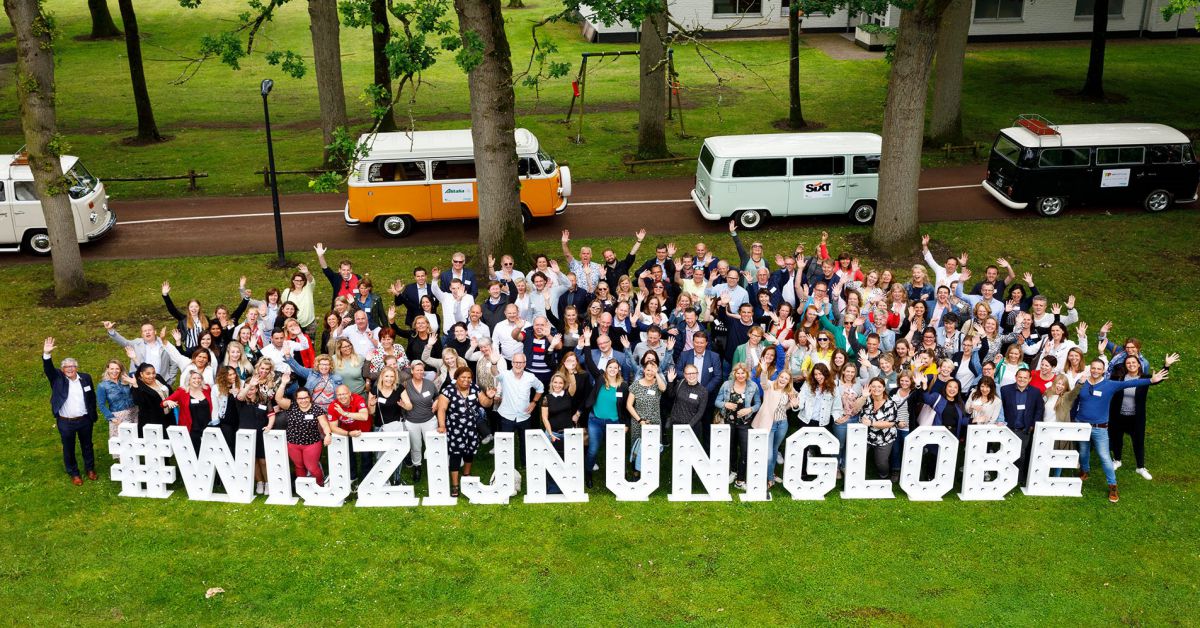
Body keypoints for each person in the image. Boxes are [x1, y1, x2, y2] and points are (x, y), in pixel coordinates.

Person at [1071, 358, 1170, 503]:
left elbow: (1130, 383)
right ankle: (1085, 471)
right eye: (1093, 368)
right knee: (1084, 451)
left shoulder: (1110, 384)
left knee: (1105, 456)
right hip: (1082, 424)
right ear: (1090, 369)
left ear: (1103, 370)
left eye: (1099, 368)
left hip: (1099, 427)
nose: (1096, 371)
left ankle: (1113, 485)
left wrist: (1151, 380)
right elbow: (1073, 399)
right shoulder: (1082, 382)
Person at [1109, 353, 1180, 480]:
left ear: (1138, 365)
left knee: (1138, 441)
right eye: (1128, 363)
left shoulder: (1145, 378)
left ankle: (1140, 467)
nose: (1131, 365)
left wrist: (1167, 365)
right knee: (1117, 439)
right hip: (1118, 416)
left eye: (1133, 362)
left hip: (1136, 417)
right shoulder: (1119, 378)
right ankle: (1117, 460)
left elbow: (1158, 378)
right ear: (1125, 365)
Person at [42, 337, 99, 485]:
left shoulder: (86, 378)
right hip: (66, 422)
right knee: (68, 448)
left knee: (87, 445)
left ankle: (90, 469)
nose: (69, 369)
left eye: (72, 366)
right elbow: (48, 369)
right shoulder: (57, 379)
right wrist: (47, 354)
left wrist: (92, 415)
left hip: (85, 420)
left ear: (76, 368)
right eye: (66, 367)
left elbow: (91, 397)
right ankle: (74, 473)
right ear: (62, 370)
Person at [436, 366, 497, 497]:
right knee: (455, 455)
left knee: (469, 452)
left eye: (469, 377)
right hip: (455, 428)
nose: (466, 380)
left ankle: (467, 476)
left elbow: (485, 404)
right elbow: (441, 409)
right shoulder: (448, 390)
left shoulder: (474, 388)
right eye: (463, 377)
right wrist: (442, 425)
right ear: (456, 378)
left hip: (471, 427)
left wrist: (489, 397)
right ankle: (455, 485)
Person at [494, 353, 545, 470]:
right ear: (512, 363)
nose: (518, 365)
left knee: (525, 442)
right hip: (506, 416)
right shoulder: (505, 375)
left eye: (521, 362)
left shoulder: (530, 377)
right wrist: (493, 363)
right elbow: (495, 373)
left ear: (525, 364)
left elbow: (540, 388)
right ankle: (506, 466)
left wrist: (534, 402)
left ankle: (525, 464)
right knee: (505, 443)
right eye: (516, 362)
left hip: (524, 416)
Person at [582, 359, 629, 488]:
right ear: (606, 368)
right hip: (595, 421)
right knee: (593, 450)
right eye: (610, 367)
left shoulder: (623, 386)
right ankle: (588, 473)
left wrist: (626, 424)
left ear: (618, 370)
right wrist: (585, 346)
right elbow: (590, 364)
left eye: (615, 367)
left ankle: (620, 475)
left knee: (617, 450)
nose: (612, 370)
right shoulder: (600, 379)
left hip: (614, 423)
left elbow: (625, 407)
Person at [715, 362, 761, 490]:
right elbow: (717, 401)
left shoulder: (753, 386)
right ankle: (733, 471)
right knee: (731, 449)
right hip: (729, 422)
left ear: (747, 374)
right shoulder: (726, 385)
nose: (740, 375)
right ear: (734, 373)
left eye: (743, 373)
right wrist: (725, 404)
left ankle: (740, 480)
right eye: (738, 373)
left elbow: (758, 404)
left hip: (744, 423)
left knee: (745, 450)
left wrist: (749, 409)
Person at [275, 386, 332, 487]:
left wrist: (328, 434)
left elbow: (325, 424)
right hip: (293, 444)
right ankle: (303, 488)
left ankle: (321, 485)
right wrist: (283, 384)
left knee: (312, 467)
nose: (303, 400)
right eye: (300, 398)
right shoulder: (291, 406)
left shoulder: (316, 409)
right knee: (299, 466)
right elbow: (278, 399)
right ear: (296, 399)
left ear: (310, 397)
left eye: (306, 397)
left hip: (311, 444)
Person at [753, 370, 799, 487]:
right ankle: (769, 478)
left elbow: (793, 404)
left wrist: (794, 405)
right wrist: (764, 371)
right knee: (769, 455)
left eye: (786, 378)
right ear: (778, 377)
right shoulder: (770, 386)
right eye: (782, 377)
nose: (783, 379)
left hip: (782, 423)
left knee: (775, 449)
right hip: (769, 423)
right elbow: (763, 382)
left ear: (789, 381)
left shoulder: (790, 390)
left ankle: (771, 475)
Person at [234, 370, 275, 494]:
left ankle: (268, 483)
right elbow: (240, 396)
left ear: (257, 389)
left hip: (261, 434)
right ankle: (259, 482)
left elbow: (271, 415)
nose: (250, 391)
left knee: (263, 460)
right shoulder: (241, 400)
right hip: (246, 435)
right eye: (248, 389)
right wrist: (249, 385)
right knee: (253, 460)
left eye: (252, 389)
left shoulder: (264, 400)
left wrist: (269, 426)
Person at [398, 361, 439, 483]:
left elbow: (437, 396)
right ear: (412, 371)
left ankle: (435, 467)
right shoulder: (406, 385)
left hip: (429, 419)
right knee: (416, 446)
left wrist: (437, 401)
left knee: (432, 444)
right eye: (417, 370)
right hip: (412, 421)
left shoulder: (429, 384)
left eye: (422, 370)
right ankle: (417, 467)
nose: (420, 372)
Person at [1000, 368, 1043, 484]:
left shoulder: (1035, 392)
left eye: (1025, 377)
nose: (1022, 379)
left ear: (1030, 379)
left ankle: (1018, 479)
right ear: (1015, 377)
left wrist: (1033, 425)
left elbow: (1039, 410)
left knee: (1021, 455)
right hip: (1008, 428)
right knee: (1006, 454)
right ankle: (1004, 477)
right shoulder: (1005, 390)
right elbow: (1001, 408)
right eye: (1020, 377)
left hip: (1024, 429)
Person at [626, 354, 666, 477]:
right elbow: (629, 405)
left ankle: (650, 473)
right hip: (638, 422)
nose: (649, 372)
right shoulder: (636, 385)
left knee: (653, 448)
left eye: (652, 370)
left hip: (654, 422)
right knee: (637, 448)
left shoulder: (658, 384)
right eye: (648, 370)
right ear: (643, 370)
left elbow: (663, 388)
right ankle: (636, 472)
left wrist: (657, 373)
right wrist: (640, 420)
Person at [103, 320, 177, 384]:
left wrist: (170, 380)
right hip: (140, 381)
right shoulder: (136, 343)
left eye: (149, 330)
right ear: (142, 334)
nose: (147, 332)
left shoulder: (164, 344)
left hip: (160, 381)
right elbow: (124, 342)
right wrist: (111, 330)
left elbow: (174, 363)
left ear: (155, 332)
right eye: (145, 331)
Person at [540, 373, 578, 494]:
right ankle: (552, 487)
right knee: (551, 462)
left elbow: (573, 384)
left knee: (568, 461)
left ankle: (568, 486)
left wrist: (570, 372)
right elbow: (544, 418)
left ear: (564, 384)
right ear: (552, 383)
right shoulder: (547, 398)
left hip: (568, 433)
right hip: (553, 434)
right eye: (555, 382)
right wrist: (551, 434)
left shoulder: (568, 395)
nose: (557, 385)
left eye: (560, 383)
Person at [327, 384, 372, 483]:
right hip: (348, 431)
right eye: (339, 395)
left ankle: (367, 479)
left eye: (344, 394)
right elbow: (333, 427)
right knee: (348, 454)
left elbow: (364, 416)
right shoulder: (333, 406)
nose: (342, 397)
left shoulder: (358, 399)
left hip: (364, 430)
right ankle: (352, 477)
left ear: (349, 393)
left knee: (366, 456)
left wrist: (345, 413)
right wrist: (348, 433)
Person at [857, 377, 898, 481]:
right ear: (870, 387)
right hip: (864, 436)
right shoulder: (866, 398)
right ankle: (857, 476)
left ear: (884, 388)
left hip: (884, 437)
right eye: (873, 386)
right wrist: (863, 397)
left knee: (881, 463)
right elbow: (855, 408)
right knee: (858, 457)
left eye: (879, 386)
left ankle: (883, 476)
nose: (876, 389)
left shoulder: (890, 403)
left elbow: (891, 423)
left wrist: (871, 423)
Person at [163, 371, 214, 451]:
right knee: (195, 451)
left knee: (209, 450)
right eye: (194, 378)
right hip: (191, 428)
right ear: (188, 380)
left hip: (208, 425)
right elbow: (163, 403)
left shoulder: (207, 389)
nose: (197, 380)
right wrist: (168, 402)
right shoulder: (182, 391)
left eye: (199, 378)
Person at [96, 359, 137, 458]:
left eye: (117, 369)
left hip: (134, 413)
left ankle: (136, 462)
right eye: (112, 368)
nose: (114, 371)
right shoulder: (102, 386)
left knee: (134, 440)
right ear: (107, 369)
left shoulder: (126, 379)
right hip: (118, 417)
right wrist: (111, 418)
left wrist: (134, 358)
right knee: (122, 442)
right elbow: (101, 404)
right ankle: (123, 463)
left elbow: (141, 370)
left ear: (121, 370)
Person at [666, 363, 709, 444]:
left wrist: (688, 426)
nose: (691, 375)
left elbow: (700, 413)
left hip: (692, 427)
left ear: (697, 374)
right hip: (676, 423)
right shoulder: (681, 383)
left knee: (691, 450)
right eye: (688, 373)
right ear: (684, 375)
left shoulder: (703, 391)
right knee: (677, 448)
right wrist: (670, 381)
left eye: (693, 373)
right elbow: (671, 395)